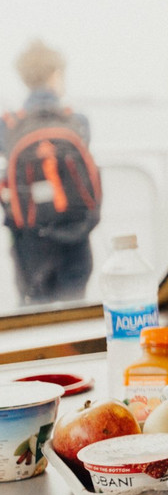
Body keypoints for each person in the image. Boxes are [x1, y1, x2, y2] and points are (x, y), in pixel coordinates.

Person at [0, 40, 97, 305]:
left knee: (35, 314)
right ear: (56, 74)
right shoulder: (77, 121)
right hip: (75, 237)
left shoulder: (8, 125)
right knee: (75, 310)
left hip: (29, 244)